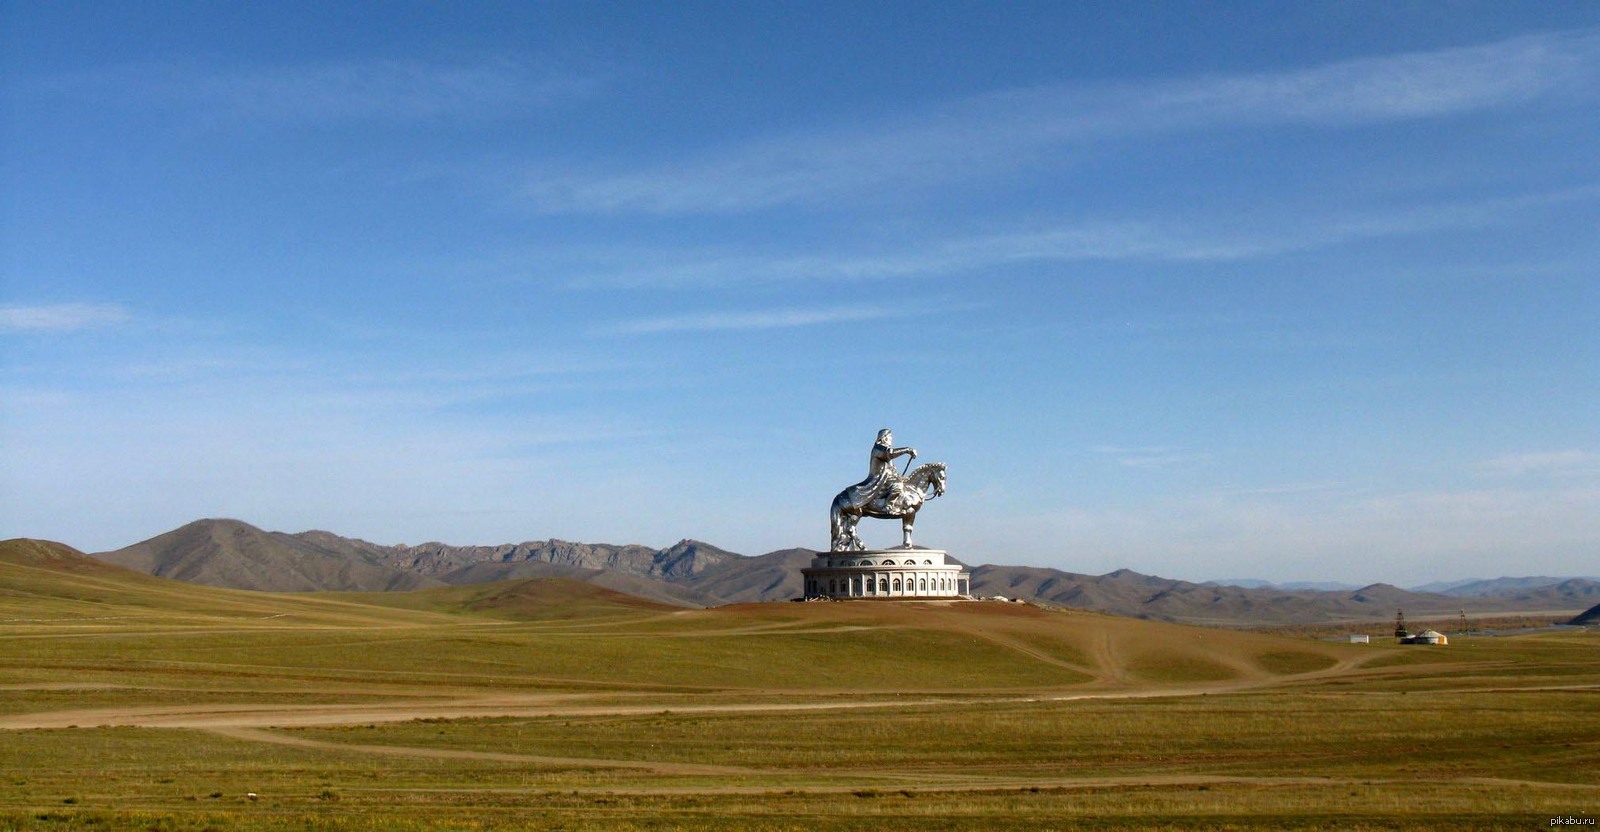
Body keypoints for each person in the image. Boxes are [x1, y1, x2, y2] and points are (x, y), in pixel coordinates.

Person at [843, 428, 917, 513]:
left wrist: (899, 477)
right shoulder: (878, 449)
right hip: (879, 480)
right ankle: (888, 505)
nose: (891, 439)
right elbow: (890, 453)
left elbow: (891, 469)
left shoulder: (883, 450)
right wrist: (907, 450)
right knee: (898, 487)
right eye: (890, 437)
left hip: (887, 479)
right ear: (884, 438)